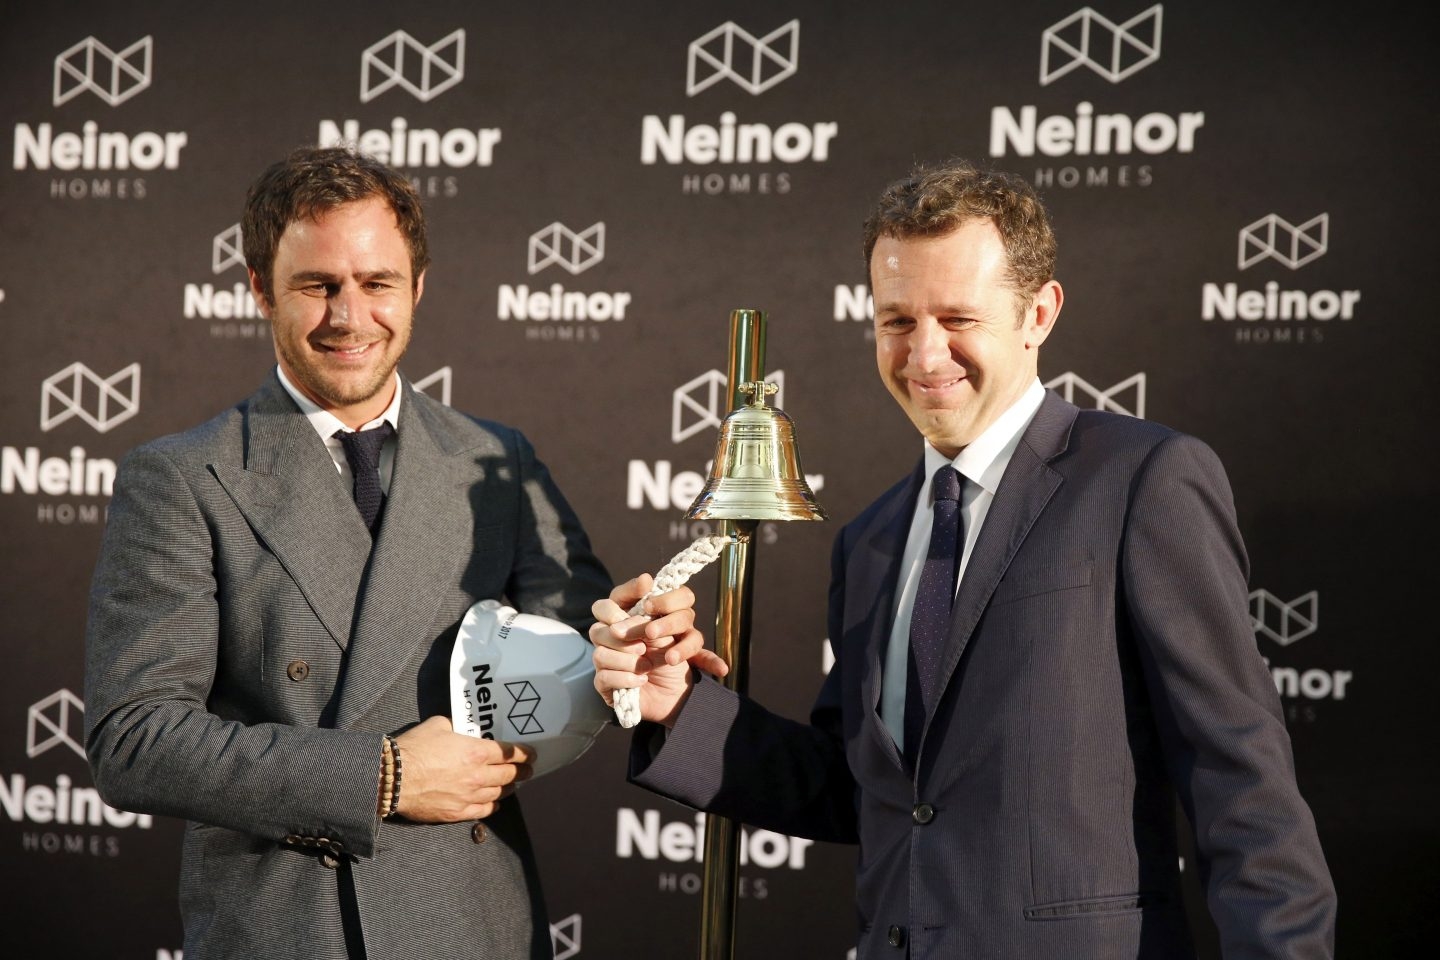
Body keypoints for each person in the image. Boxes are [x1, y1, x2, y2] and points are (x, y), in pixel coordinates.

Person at [590, 159, 1336, 958]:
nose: (924, 353)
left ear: (1038, 314)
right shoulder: (872, 538)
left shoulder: (1140, 481)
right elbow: (863, 792)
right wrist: (679, 705)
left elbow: (1241, 778)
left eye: (958, 318)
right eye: (897, 320)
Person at [84, 146, 610, 960]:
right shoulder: (183, 477)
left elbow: (575, 662)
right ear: (260, 288)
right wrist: (382, 777)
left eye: (377, 283)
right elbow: (137, 743)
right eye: (317, 285)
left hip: (470, 921)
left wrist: (633, 651)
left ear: (419, 287)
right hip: (293, 927)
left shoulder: (495, 460)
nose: (349, 316)